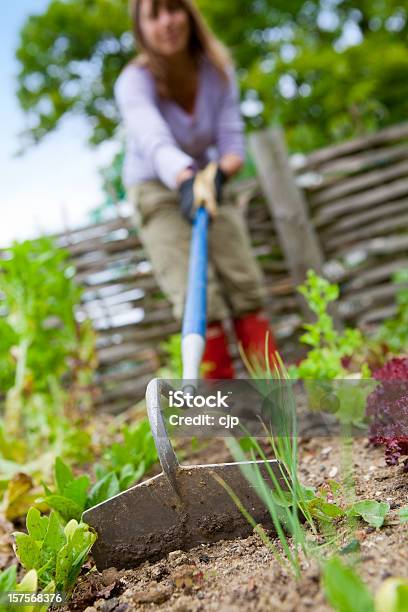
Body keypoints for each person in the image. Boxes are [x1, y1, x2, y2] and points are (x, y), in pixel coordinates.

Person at [114, 0, 279, 378]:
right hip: (156, 188)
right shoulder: (133, 82)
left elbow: (233, 143)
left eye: (173, 9)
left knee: (243, 281)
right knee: (196, 293)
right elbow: (153, 141)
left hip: (207, 178)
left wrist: (217, 174)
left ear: (189, 14)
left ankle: (275, 403)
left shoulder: (217, 71)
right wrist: (185, 177)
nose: (167, 22)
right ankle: (225, 417)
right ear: (141, 28)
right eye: (154, 15)